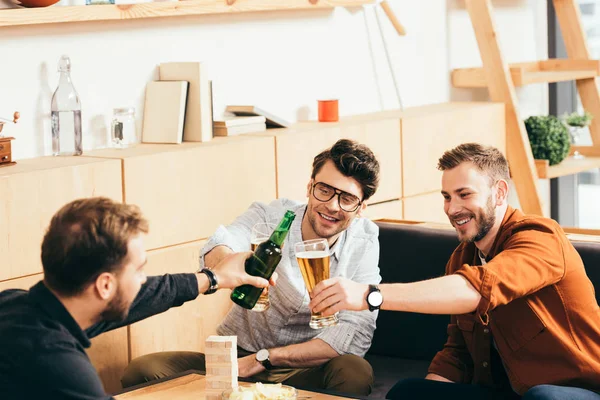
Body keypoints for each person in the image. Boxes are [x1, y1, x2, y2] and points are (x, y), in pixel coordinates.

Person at [308, 143, 600, 400]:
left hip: (581, 390)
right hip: (506, 392)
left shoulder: (540, 237)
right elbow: (457, 354)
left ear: (499, 193)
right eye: (447, 197)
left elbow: (480, 289)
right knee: (409, 393)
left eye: (464, 194)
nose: (452, 208)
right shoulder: (462, 258)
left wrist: (369, 295)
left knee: (544, 397)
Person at [122, 139, 382, 396]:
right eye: (324, 190)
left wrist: (265, 358)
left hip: (305, 366)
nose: (332, 206)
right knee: (144, 370)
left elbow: (353, 335)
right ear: (309, 187)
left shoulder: (364, 241)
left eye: (347, 199)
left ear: (361, 208)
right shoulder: (272, 217)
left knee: (354, 371)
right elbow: (222, 241)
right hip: (238, 358)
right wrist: (226, 264)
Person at [0, 197, 273, 400]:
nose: (143, 280)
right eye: (139, 270)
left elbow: (142, 296)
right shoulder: (59, 365)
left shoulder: (15, 305)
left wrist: (211, 278)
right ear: (105, 285)